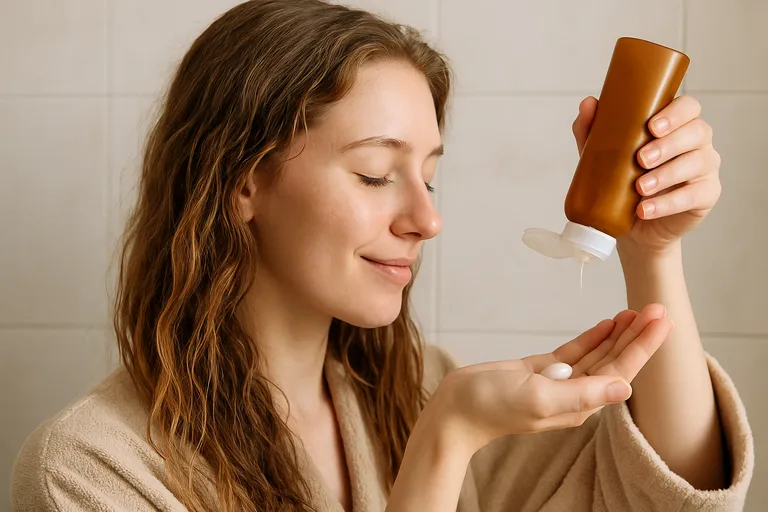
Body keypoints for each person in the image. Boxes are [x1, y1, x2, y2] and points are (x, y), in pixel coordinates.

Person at [12, 1, 753, 511]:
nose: (428, 218)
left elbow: (669, 491)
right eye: (375, 174)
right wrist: (444, 444)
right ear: (243, 181)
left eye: (429, 175)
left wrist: (651, 251)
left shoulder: (416, 389)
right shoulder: (88, 469)